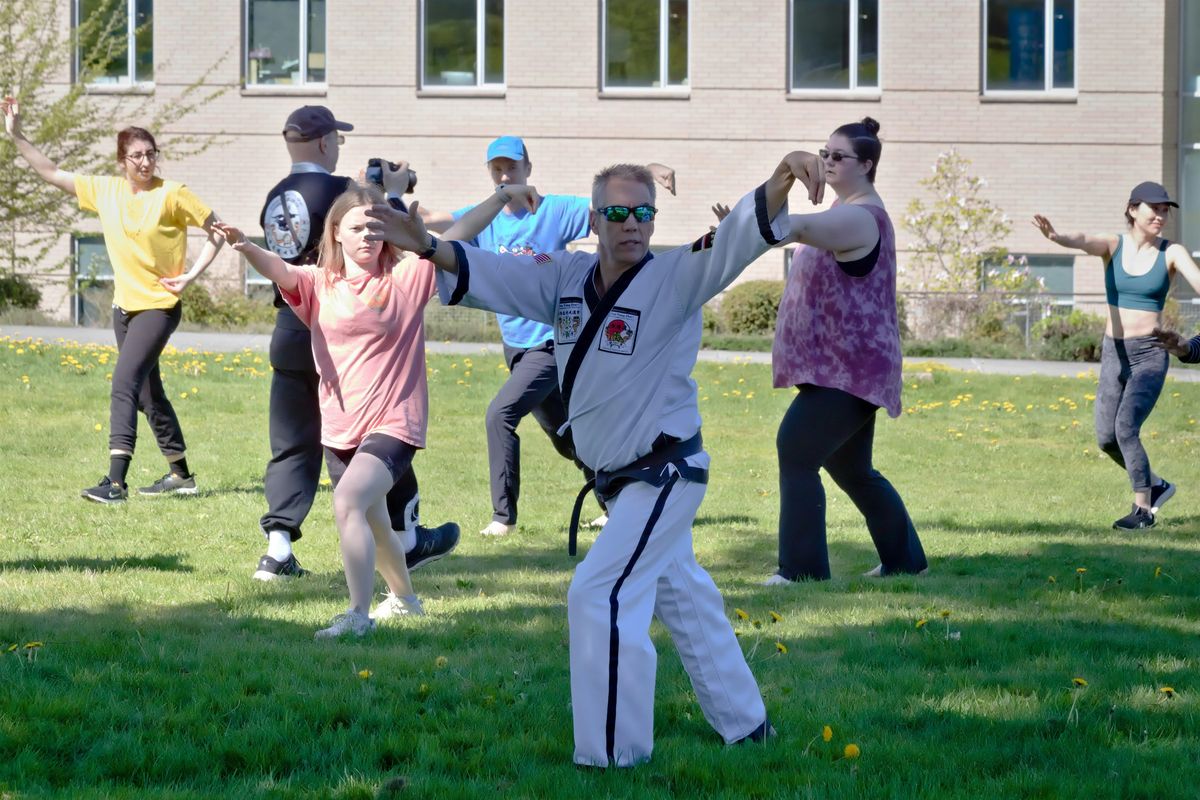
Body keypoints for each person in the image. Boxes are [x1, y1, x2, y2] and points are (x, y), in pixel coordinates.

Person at [363, 153, 827, 766]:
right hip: (618, 481)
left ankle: (612, 756)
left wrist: (783, 175)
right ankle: (748, 726)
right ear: (593, 217)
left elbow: (736, 239)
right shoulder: (565, 277)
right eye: (616, 213)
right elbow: (494, 272)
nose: (631, 223)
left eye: (642, 212)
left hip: (664, 474)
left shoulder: (678, 275)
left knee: (598, 593)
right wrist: (426, 244)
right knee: (685, 599)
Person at [215, 178, 538, 638]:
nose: (367, 235)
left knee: (348, 501)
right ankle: (405, 600)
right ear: (335, 233)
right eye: (356, 227)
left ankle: (357, 615)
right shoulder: (318, 284)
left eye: (375, 227)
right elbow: (280, 269)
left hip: (395, 422)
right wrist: (245, 246)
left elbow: (460, 233)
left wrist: (502, 196)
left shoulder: (407, 277)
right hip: (340, 427)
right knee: (376, 521)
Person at [421, 136, 676, 536]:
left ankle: (502, 518)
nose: (506, 175)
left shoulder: (552, 209)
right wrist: (389, 196)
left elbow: (611, 209)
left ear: (528, 169)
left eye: (512, 167)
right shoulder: (486, 215)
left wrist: (650, 170)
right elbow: (434, 221)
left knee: (500, 415)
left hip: (552, 343)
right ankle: (617, 498)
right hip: (516, 347)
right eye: (497, 169)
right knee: (567, 436)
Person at [252, 105, 459, 581]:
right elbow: (388, 229)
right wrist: (392, 191)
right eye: (337, 141)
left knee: (293, 442)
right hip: (346, 325)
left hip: (292, 327)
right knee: (378, 428)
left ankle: (278, 546)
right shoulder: (342, 191)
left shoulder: (276, 195)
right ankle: (408, 537)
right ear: (326, 142)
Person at [2, 97, 223, 503]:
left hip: (158, 306)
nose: (146, 162)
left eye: (151, 154)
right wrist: (16, 135)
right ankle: (181, 475)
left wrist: (191, 275)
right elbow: (50, 172)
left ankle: (116, 483)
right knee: (147, 393)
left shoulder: (173, 194)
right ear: (122, 161)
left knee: (123, 383)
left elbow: (218, 231)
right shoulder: (105, 191)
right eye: (137, 155)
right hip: (124, 310)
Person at [768, 117, 927, 583]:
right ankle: (905, 562)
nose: (828, 162)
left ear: (867, 165)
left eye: (839, 156)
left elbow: (793, 227)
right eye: (825, 154)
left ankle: (800, 571)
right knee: (853, 469)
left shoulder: (860, 217)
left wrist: (778, 182)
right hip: (839, 369)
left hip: (850, 370)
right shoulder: (846, 209)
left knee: (796, 450)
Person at [1034, 181, 1200, 529]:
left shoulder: (1172, 252)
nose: (1161, 215)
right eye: (1154, 208)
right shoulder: (1114, 245)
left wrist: (1188, 345)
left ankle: (1143, 511)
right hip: (1114, 351)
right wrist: (1057, 237)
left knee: (1126, 428)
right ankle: (1157, 486)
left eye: (1165, 210)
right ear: (1132, 209)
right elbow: (1084, 240)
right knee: (1106, 439)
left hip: (1150, 354)